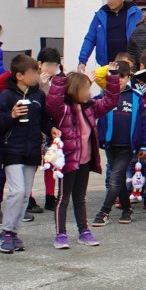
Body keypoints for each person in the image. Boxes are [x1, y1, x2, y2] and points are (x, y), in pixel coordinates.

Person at [45, 66, 121, 250]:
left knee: (80, 198)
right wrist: (60, 78)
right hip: (67, 161)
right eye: (85, 89)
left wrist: (112, 77)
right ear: (74, 90)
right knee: (63, 198)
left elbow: (110, 101)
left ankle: (84, 231)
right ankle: (61, 234)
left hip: (85, 161)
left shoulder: (91, 108)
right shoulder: (63, 110)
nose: (88, 92)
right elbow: (53, 102)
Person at [0, 52, 51, 253]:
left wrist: (51, 128)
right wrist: (12, 115)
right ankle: (6, 232)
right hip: (12, 149)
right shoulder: (6, 96)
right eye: (33, 73)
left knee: (25, 194)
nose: (36, 76)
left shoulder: (38, 95)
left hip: (32, 150)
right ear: (19, 76)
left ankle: (14, 232)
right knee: (16, 191)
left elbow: (44, 119)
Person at [93, 55, 146, 226]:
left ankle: (104, 212)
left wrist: (145, 145)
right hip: (110, 143)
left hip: (128, 145)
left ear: (128, 77)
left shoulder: (136, 96)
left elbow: (143, 122)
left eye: (122, 77)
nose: (118, 80)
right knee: (117, 179)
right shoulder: (104, 95)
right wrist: (108, 71)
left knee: (115, 178)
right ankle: (126, 210)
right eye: (115, 76)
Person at [77, 0, 142, 70]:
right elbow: (90, 39)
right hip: (107, 66)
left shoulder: (135, 13)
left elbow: (144, 36)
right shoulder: (100, 15)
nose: (110, 1)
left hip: (130, 66)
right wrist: (82, 61)